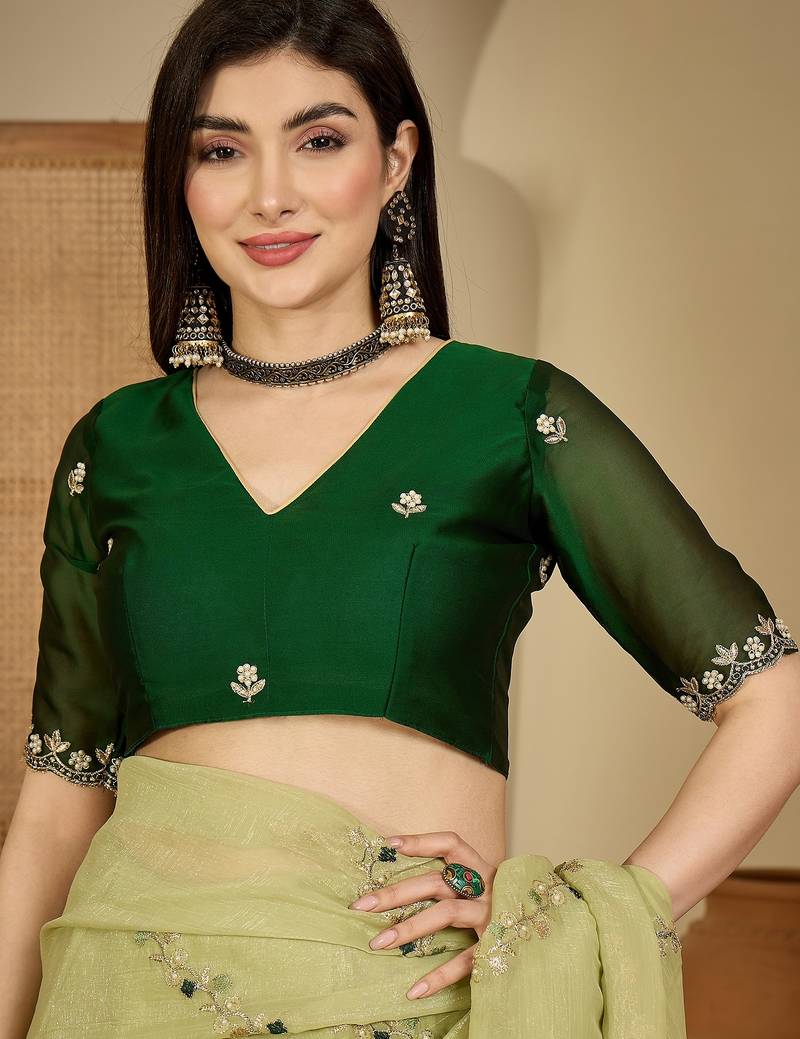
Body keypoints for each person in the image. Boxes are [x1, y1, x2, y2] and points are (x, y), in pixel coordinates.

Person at [2, 1, 798, 1036]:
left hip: (400, 1001)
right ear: (179, 179)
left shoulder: (508, 416)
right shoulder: (115, 447)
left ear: (395, 161)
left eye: (319, 140)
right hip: (121, 1002)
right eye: (221, 150)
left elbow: (773, 698)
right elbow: (57, 808)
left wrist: (578, 913)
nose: (270, 193)